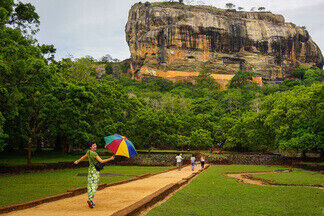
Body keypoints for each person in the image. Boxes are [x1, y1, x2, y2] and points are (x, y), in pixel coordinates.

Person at [74, 142, 115, 208]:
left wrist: (77, 161)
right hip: (94, 171)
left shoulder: (88, 152)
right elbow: (101, 161)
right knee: (94, 185)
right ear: (90, 147)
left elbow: (83, 157)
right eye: (93, 146)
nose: (95, 146)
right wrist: (110, 158)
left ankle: (90, 199)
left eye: (95, 145)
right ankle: (90, 199)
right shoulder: (94, 153)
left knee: (90, 184)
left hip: (90, 170)